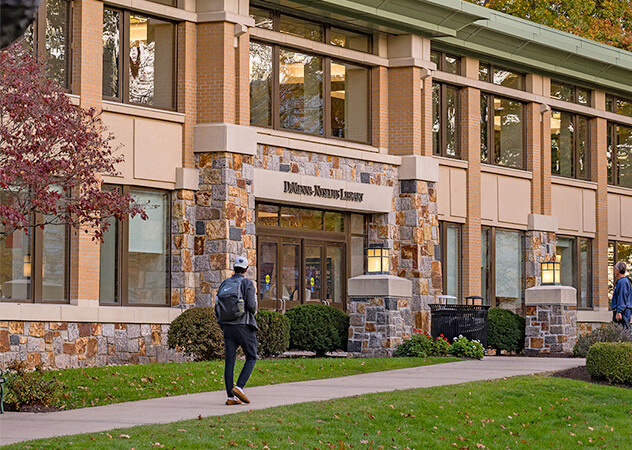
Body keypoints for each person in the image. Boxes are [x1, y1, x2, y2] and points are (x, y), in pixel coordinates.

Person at [215, 256, 258, 405]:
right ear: (246, 270)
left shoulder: (224, 283)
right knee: (251, 356)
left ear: (234, 268)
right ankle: (239, 387)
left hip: (227, 327)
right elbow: (252, 306)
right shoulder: (247, 283)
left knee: (230, 362)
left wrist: (222, 323)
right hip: (243, 326)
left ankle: (230, 397)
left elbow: (217, 306)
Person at [611, 261, 632, 330]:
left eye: (614, 270)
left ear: (618, 270)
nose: (614, 272)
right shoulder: (624, 281)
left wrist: (619, 311)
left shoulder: (622, 282)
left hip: (623, 312)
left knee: (622, 332)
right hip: (624, 310)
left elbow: (621, 297)